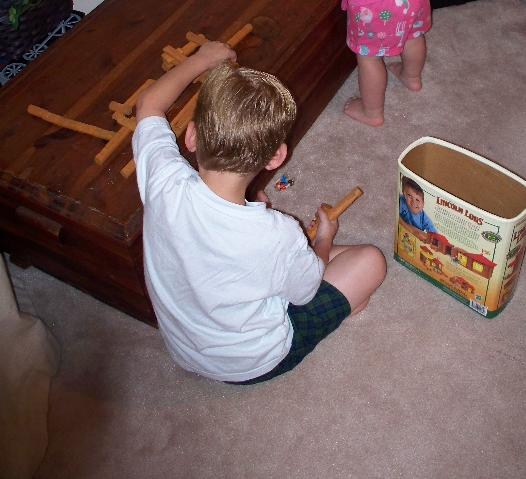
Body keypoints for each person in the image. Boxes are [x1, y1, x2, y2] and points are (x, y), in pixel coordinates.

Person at [133, 41, 386, 384]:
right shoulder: (279, 234)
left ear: (191, 135)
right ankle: (345, 305)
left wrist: (202, 59)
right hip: (255, 362)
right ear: (276, 157)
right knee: (370, 260)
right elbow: (305, 291)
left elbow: (149, 104)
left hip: (186, 348)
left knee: (293, 264)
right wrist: (323, 239)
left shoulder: (162, 179)